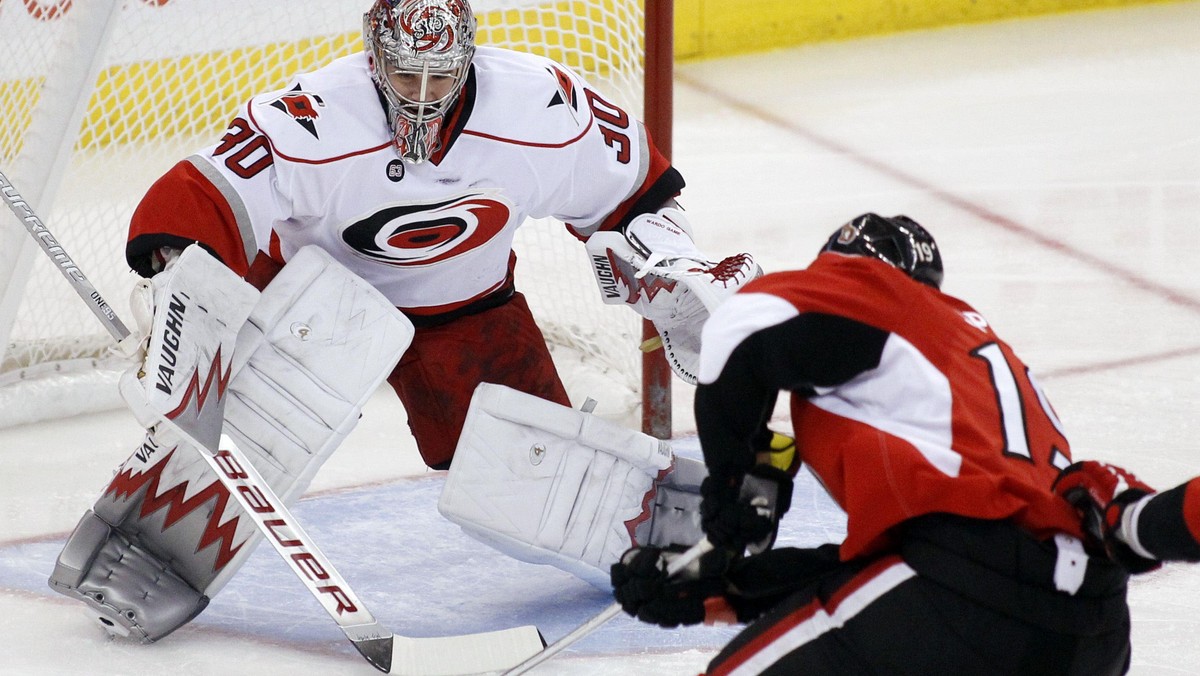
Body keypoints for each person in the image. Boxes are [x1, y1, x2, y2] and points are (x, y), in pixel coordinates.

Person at [47, 0, 758, 643]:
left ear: (470, 55)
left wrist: (664, 260)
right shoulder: (313, 118)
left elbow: (633, 190)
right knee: (243, 434)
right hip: (313, 306)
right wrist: (184, 282)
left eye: (440, 76)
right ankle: (139, 556)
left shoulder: (541, 108)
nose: (420, 96)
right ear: (372, 57)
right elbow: (208, 190)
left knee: (527, 474)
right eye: (403, 74)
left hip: (465, 309)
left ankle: (691, 534)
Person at [610, 213, 1200, 675]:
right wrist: (728, 591)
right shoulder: (972, 375)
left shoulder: (875, 291)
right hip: (1091, 634)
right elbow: (941, 558)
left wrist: (737, 487)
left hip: (967, 602)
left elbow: (741, 324)